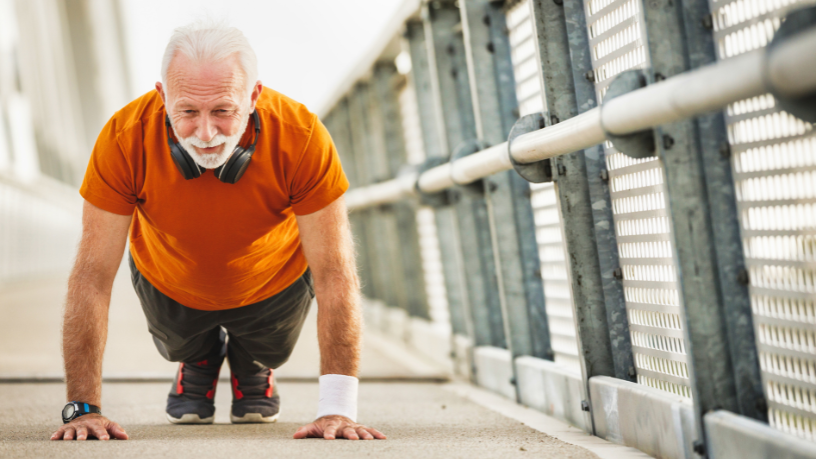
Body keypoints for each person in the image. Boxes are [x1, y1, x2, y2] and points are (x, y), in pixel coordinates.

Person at [50, 20, 385, 442]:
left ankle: (252, 360)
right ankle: (198, 357)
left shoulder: (301, 137)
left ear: (254, 97)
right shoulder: (123, 138)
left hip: (272, 281)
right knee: (181, 343)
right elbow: (92, 276)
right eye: (188, 112)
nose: (206, 134)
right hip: (169, 278)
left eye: (223, 111)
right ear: (162, 97)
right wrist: (82, 409)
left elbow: (335, 273)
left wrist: (338, 409)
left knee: (270, 348)